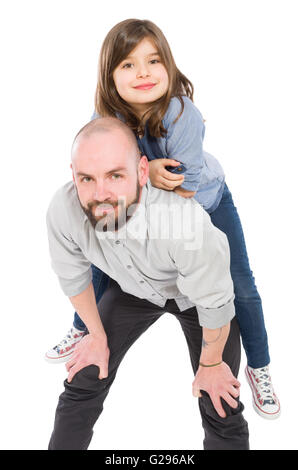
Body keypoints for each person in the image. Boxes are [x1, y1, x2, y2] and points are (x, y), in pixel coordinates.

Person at [45, 18, 280, 420]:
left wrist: (144, 172)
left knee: (240, 284)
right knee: (100, 258)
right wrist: (135, 177)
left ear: (168, 66)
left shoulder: (182, 114)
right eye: (128, 65)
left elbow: (184, 190)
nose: (143, 73)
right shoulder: (105, 117)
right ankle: (84, 329)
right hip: (147, 200)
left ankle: (259, 367)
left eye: (153, 61)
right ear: (110, 76)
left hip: (204, 201)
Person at [47, 117, 249, 450]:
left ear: (142, 171)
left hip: (199, 300)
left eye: (115, 175)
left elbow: (215, 300)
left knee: (218, 397)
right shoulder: (64, 209)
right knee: (84, 374)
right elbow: (73, 275)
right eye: (87, 178)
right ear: (73, 175)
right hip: (133, 293)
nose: (101, 193)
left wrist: (211, 363)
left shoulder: (184, 223)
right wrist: (96, 336)